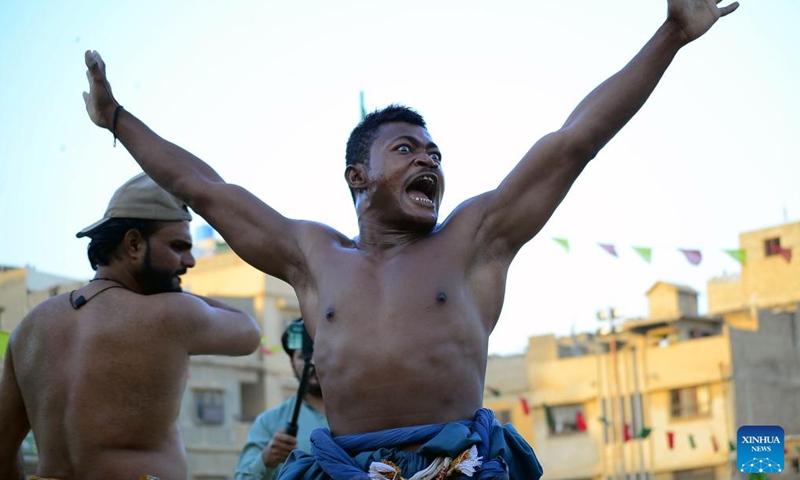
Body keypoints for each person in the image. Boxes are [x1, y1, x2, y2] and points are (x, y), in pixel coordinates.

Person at [81, 1, 739, 478]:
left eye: (435, 152)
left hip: (465, 467)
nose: (430, 160)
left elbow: (574, 143)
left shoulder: (476, 239)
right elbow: (205, 188)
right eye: (407, 149)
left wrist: (671, 35)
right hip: (344, 470)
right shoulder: (313, 257)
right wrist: (117, 119)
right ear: (357, 176)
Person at [0, 173, 262, 480]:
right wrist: (177, 291)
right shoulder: (171, 313)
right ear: (134, 243)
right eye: (178, 246)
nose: (190, 261)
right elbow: (249, 332)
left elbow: (3, 446)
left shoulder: (29, 327)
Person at [234, 319, 328, 480]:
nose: (312, 362)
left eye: (319, 352)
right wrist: (266, 459)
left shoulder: (366, 413)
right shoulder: (269, 422)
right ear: (292, 363)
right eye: (303, 355)